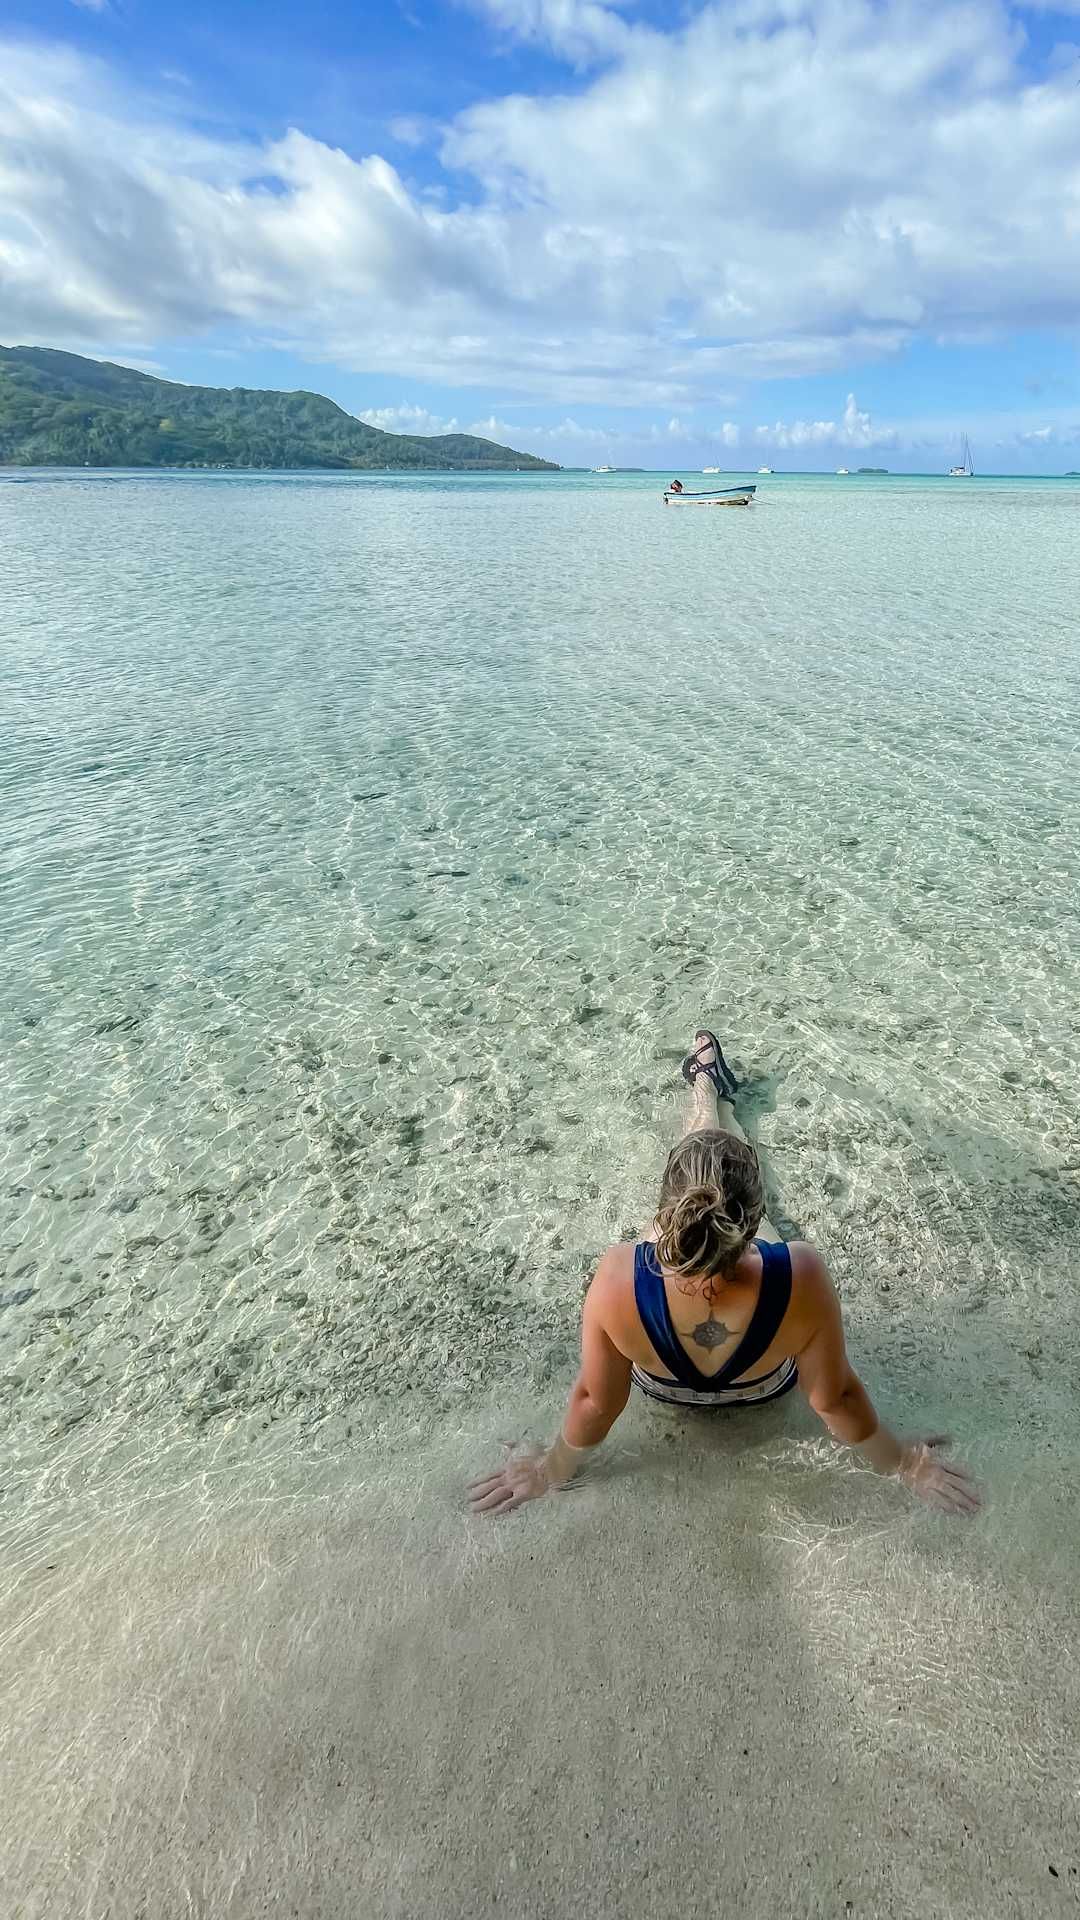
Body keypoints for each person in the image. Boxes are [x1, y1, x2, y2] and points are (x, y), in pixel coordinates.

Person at [470, 1027, 980, 1519]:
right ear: (754, 1217)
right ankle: (715, 1097)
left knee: (699, 1153)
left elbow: (595, 1404)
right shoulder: (802, 1272)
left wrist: (550, 1471)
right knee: (718, 1151)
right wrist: (903, 1464)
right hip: (761, 1388)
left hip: (664, 1388)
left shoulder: (617, 1276)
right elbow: (836, 1399)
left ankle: (706, 1093)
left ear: (669, 1208)